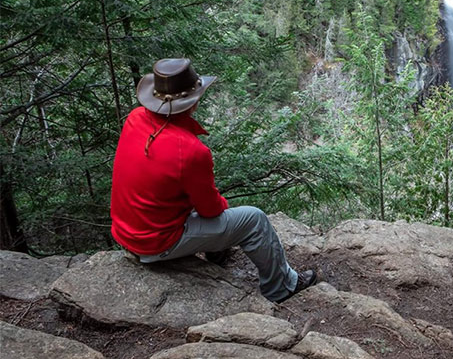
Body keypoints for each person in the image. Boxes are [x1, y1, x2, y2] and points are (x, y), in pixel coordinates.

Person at [110, 58, 317, 303]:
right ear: (193, 102)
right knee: (254, 220)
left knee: (189, 207)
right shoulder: (190, 151)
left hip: (126, 232)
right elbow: (210, 209)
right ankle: (282, 287)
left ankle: (217, 253)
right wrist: (222, 208)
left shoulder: (135, 118)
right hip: (156, 242)